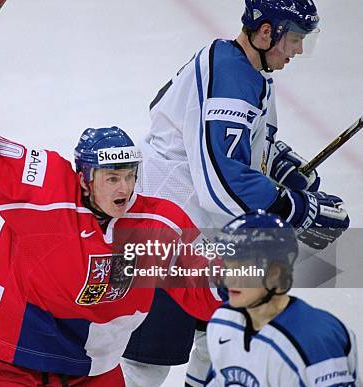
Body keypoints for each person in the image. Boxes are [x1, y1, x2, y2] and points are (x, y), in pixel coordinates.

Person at [0, 45, 221, 386]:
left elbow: (203, 279)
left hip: (92, 370)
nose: (124, 188)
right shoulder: (45, 190)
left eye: (129, 175)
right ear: (85, 179)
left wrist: (251, 284)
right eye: (111, 178)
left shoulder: (154, 224)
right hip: (9, 361)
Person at [122, 0, 350, 386]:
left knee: (221, 336)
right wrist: (299, 210)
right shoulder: (229, 77)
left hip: (204, 240)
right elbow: (222, 183)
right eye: (293, 39)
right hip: (166, 241)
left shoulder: (243, 68)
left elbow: (235, 142)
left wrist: (279, 165)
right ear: (265, 33)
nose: (297, 50)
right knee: (145, 366)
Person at [206, 210, 360, 386]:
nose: (229, 279)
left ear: (275, 272)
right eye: (227, 266)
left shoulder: (315, 342)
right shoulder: (223, 319)